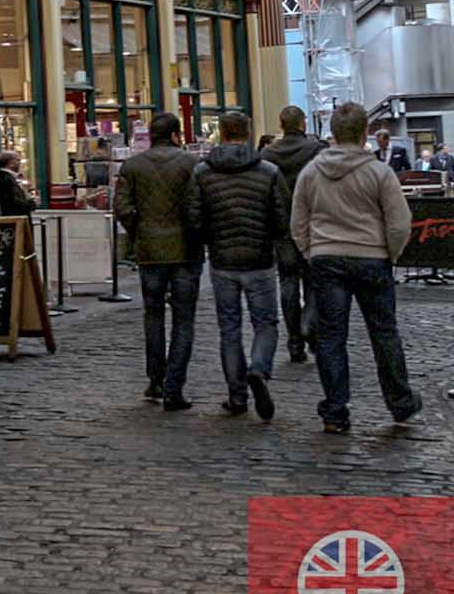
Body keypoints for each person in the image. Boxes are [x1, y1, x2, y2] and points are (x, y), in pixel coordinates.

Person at [292, 102, 423, 435]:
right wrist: (389, 254)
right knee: (384, 333)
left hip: (327, 258)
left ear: (333, 133)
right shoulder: (378, 172)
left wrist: (312, 251)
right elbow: (399, 222)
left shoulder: (311, 172)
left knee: (331, 337)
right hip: (371, 258)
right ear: (364, 131)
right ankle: (400, 402)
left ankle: (335, 410)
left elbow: (298, 222)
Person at [183, 111, 288, 422]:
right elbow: (282, 217)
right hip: (259, 260)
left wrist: (209, 241)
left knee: (229, 328)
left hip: (222, 260)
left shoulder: (203, 172)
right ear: (248, 132)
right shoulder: (268, 171)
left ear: (222, 135)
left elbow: (193, 217)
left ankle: (237, 395)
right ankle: (259, 368)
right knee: (266, 323)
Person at [116, 113, 203, 411]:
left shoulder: (132, 166)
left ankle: (155, 378)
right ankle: (174, 386)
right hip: (185, 251)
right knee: (184, 319)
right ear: (176, 134)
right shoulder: (191, 164)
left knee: (153, 315)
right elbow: (197, 207)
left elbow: (123, 208)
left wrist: (138, 232)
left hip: (150, 250)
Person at [259, 107, 326, 364]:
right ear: (302, 123)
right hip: (312, 224)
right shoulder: (315, 150)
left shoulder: (268, 153)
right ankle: (309, 324)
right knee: (312, 281)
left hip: (282, 227)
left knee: (287, 283)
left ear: (282, 124)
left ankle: (294, 341)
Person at [0, 151, 38, 217]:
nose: (20, 163)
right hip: (14, 220)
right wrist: (33, 203)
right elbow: (13, 203)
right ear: (10, 163)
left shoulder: (7, 178)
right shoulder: (6, 180)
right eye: (18, 160)